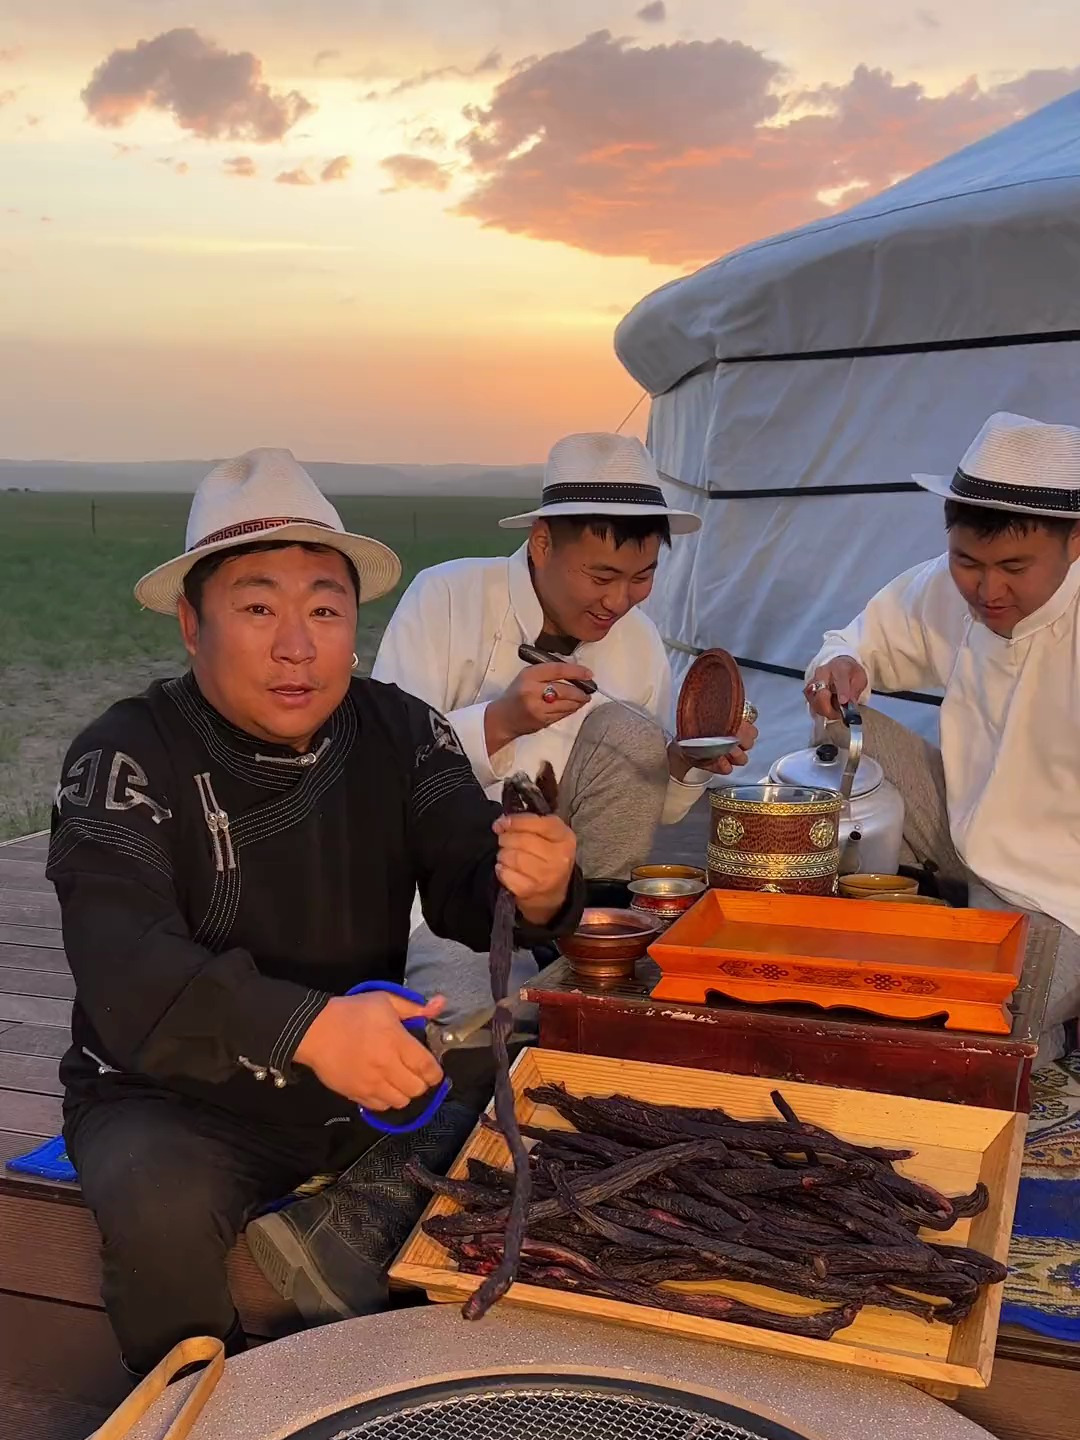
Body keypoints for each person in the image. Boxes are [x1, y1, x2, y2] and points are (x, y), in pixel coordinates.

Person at [47, 448, 583, 1378]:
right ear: (191, 621)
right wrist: (307, 1027)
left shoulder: (400, 731)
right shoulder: (125, 758)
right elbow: (123, 962)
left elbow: (469, 879)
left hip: (361, 1066)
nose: (298, 645)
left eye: (326, 610)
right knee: (157, 1210)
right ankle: (186, 1404)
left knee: (531, 1113)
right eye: (258, 608)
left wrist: (533, 888)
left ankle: (398, 1370)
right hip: (176, 1094)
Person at [371, 431, 758, 1017]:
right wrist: (502, 721)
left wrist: (685, 762)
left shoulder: (638, 641)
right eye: (601, 578)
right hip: (445, 888)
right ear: (543, 541)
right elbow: (384, 763)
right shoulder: (446, 598)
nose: (620, 601)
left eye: (642, 577)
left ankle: (591, 940)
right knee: (490, 1020)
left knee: (630, 732)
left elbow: (649, 799)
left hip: (571, 886)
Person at [804, 411, 1080, 1055]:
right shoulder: (949, 589)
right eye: (968, 561)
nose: (988, 589)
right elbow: (854, 641)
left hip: (1063, 898)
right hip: (967, 834)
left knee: (975, 1028)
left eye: (1015, 565)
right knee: (846, 729)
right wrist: (836, 667)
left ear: (1075, 541)